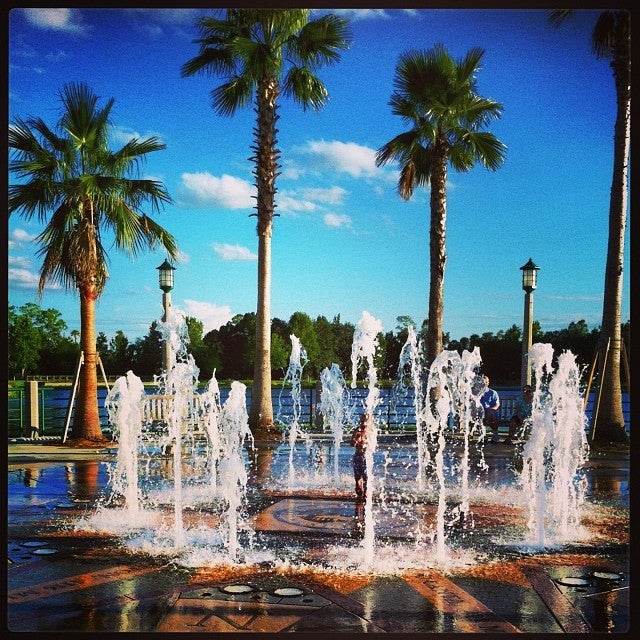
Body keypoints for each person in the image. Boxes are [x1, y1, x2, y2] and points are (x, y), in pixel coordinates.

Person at [350, 412, 370, 501]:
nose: (363, 423)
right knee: (357, 477)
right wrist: (355, 441)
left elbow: (373, 444)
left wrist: (366, 443)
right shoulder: (356, 431)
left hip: (366, 457)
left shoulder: (370, 431)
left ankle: (365, 494)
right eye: (362, 421)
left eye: (365, 421)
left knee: (366, 477)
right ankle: (359, 490)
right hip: (358, 456)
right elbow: (351, 443)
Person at [479, 375, 501, 443]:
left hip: (490, 412)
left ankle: (495, 435)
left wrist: (491, 410)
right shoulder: (476, 392)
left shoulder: (493, 393)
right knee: (476, 415)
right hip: (480, 412)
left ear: (488, 383)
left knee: (490, 414)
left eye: (485, 382)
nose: (484, 384)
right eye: (482, 382)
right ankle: (483, 436)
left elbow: (497, 405)